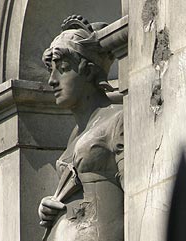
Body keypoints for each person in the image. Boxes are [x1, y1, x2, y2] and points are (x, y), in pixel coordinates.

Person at [38, 15, 124, 241]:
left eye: (63, 68)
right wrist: (55, 208)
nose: (52, 80)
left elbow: (142, 197)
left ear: (88, 71)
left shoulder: (118, 120)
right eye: (51, 71)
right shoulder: (74, 136)